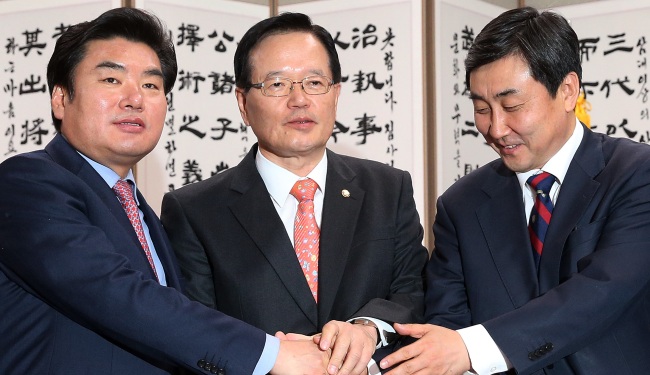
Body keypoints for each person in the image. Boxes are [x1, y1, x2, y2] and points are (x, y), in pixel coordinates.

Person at [0, 8, 331, 375]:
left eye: (151, 85)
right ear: (61, 99)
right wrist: (271, 354)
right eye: (111, 79)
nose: (134, 99)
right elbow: (115, 294)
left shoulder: (142, 212)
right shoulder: (26, 182)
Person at [379, 6, 650, 375]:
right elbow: (446, 325)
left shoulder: (635, 173)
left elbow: (602, 291)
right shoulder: (462, 205)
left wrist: (471, 348)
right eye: (481, 108)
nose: (495, 128)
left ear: (567, 91)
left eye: (512, 105)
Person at [160, 12, 429, 375]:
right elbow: (197, 331)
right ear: (243, 103)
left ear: (336, 94)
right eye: (277, 84)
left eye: (314, 82)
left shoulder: (389, 189)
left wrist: (368, 328)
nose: (299, 99)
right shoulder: (194, 211)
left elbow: (412, 292)